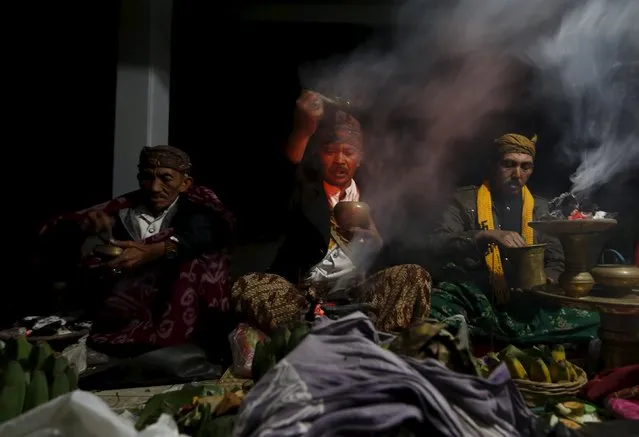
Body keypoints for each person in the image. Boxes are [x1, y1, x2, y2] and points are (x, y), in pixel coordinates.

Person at [232, 90, 432, 334]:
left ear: (360, 158)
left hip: (359, 295)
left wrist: (376, 240)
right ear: (319, 154)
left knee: (414, 275)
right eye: (330, 152)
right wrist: (303, 132)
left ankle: (367, 339)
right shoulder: (304, 188)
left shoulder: (377, 196)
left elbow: (396, 257)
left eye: (348, 152)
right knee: (249, 286)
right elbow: (279, 182)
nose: (339, 160)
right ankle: (320, 336)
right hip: (304, 297)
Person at [39, 145, 235, 356]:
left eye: (166, 178)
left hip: (172, 301)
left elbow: (195, 240)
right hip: (121, 292)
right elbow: (61, 233)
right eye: (147, 178)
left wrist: (153, 251)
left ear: (184, 183)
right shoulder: (121, 212)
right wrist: (85, 229)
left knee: (191, 264)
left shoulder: (197, 211)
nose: (155, 188)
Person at [427, 133, 599, 344]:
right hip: (475, 297)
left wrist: (546, 279)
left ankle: (509, 337)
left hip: (528, 303)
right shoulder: (463, 200)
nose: (517, 174)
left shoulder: (541, 208)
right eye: (509, 164)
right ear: (492, 165)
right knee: (435, 308)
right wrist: (485, 235)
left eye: (525, 167)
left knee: (596, 320)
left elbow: (557, 260)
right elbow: (436, 243)